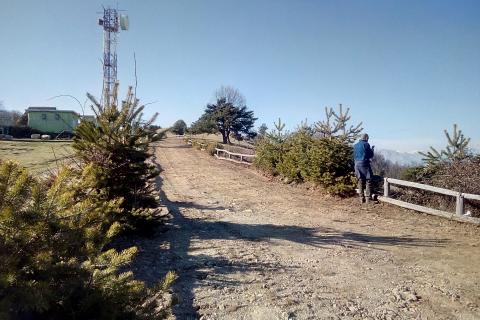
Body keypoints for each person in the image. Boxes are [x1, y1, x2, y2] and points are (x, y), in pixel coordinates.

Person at [354, 133, 374, 203]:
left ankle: (361, 198)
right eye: (367, 138)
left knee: (360, 180)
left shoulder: (355, 145)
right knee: (369, 179)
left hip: (356, 164)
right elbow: (370, 155)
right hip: (364, 163)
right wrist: (372, 150)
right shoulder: (366, 144)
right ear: (366, 138)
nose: (368, 140)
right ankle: (368, 199)